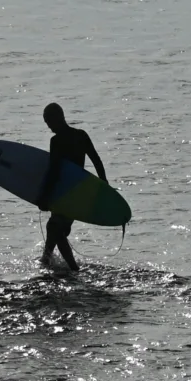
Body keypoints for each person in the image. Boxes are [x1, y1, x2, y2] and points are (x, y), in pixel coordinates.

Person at [36, 103, 108, 275]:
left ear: (57, 118)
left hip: (63, 194)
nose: (48, 126)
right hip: (79, 192)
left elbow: (53, 171)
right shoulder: (81, 135)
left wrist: (43, 197)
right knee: (53, 227)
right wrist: (104, 185)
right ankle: (46, 259)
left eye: (48, 121)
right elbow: (96, 161)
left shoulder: (57, 141)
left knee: (57, 230)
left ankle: (74, 270)